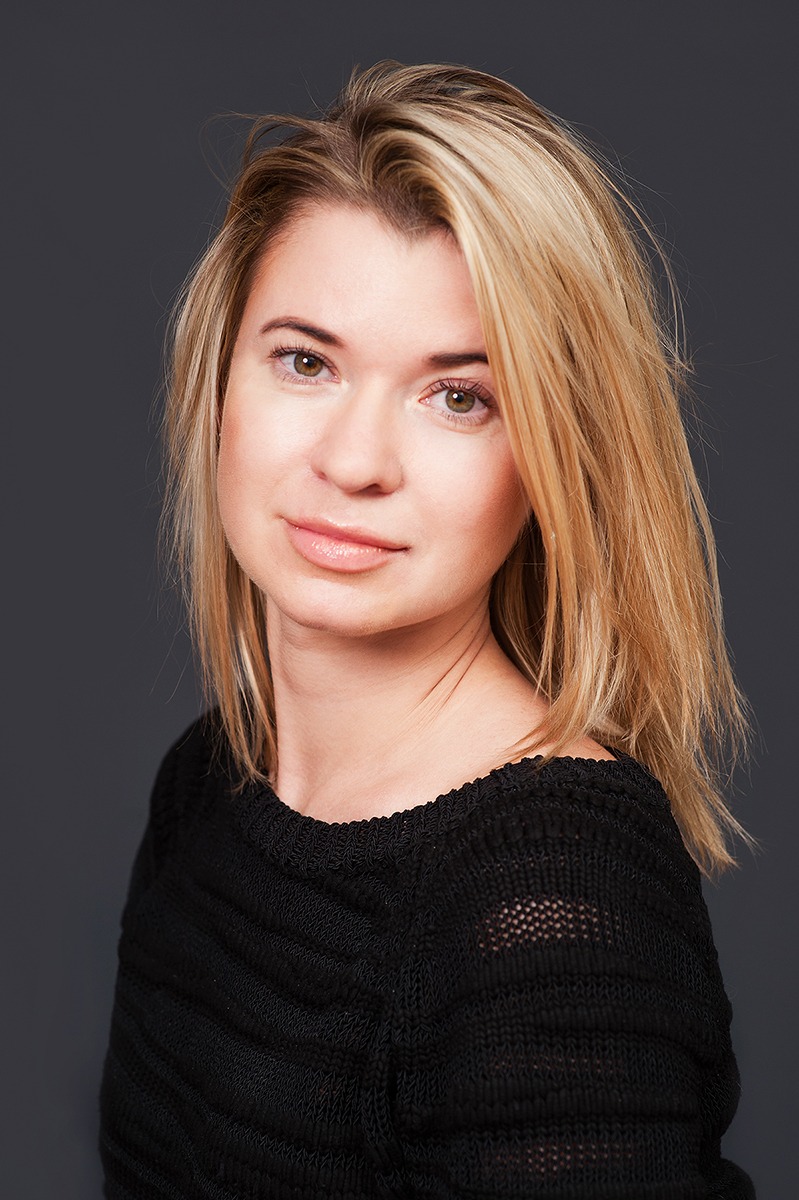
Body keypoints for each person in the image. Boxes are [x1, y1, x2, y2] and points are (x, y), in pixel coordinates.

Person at [99, 61, 755, 1198]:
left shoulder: (549, 890)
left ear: (555, 458)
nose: (355, 462)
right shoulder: (210, 782)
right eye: (306, 362)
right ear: (218, 385)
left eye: (460, 397)